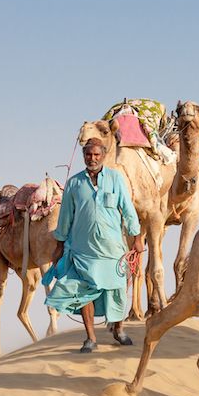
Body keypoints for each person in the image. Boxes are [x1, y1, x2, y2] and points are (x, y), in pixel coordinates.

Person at [45, 138, 143, 352]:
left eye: (97, 155)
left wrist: (136, 237)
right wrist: (60, 245)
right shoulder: (74, 183)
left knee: (117, 289)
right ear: (84, 156)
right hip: (83, 250)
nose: (93, 159)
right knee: (83, 291)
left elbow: (127, 208)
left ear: (104, 155)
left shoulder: (116, 179)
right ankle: (90, 338)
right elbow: (65, 217)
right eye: (89, 155)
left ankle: (119, 329)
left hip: (113, 249)